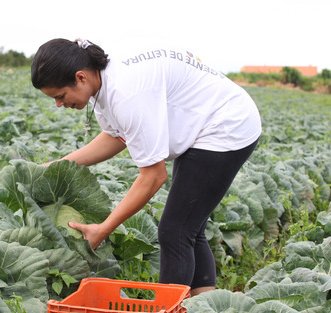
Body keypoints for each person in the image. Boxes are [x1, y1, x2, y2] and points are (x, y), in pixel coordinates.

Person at [30, 38, 261, 296]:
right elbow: (117, 136)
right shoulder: (103, 83)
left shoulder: (126, 92)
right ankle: (200, 309)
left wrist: (104, 228)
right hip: (206, 123)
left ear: (81, 77)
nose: (59, 105)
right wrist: (56, 165)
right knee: (188, 228)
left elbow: (153, 177)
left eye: (60, 96)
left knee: (175, 232)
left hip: (226, 125)